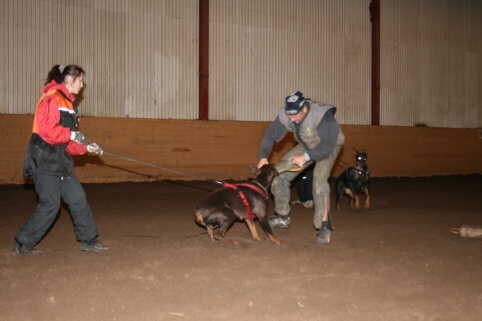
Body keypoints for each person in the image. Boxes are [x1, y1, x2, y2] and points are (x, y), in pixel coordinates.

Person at [13, 64, 109, 255]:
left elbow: (67, 141)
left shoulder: (70, 104)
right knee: (50, 204)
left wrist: (85, 147)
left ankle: (89, 240)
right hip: (44, 160)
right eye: (80, 80)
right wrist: (73, 136)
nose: (82, 85)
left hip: (60, 161)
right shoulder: (51, 99)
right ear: (69, 79)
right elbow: (48, 132)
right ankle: (23, 242)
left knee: (77, 198)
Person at [257, 91, 345, 244]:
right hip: (306, 145)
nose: (292, 119)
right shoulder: (287, 115)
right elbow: (271, 133)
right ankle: (283, 216)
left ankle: (323, 226)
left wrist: (305, 157)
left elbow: (327, 145)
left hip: (328, 146)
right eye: (289, 115)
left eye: (295, 116)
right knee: (278, 175)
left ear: (304, 108)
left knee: (319, 181)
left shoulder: (322, 115)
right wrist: (263, 156)